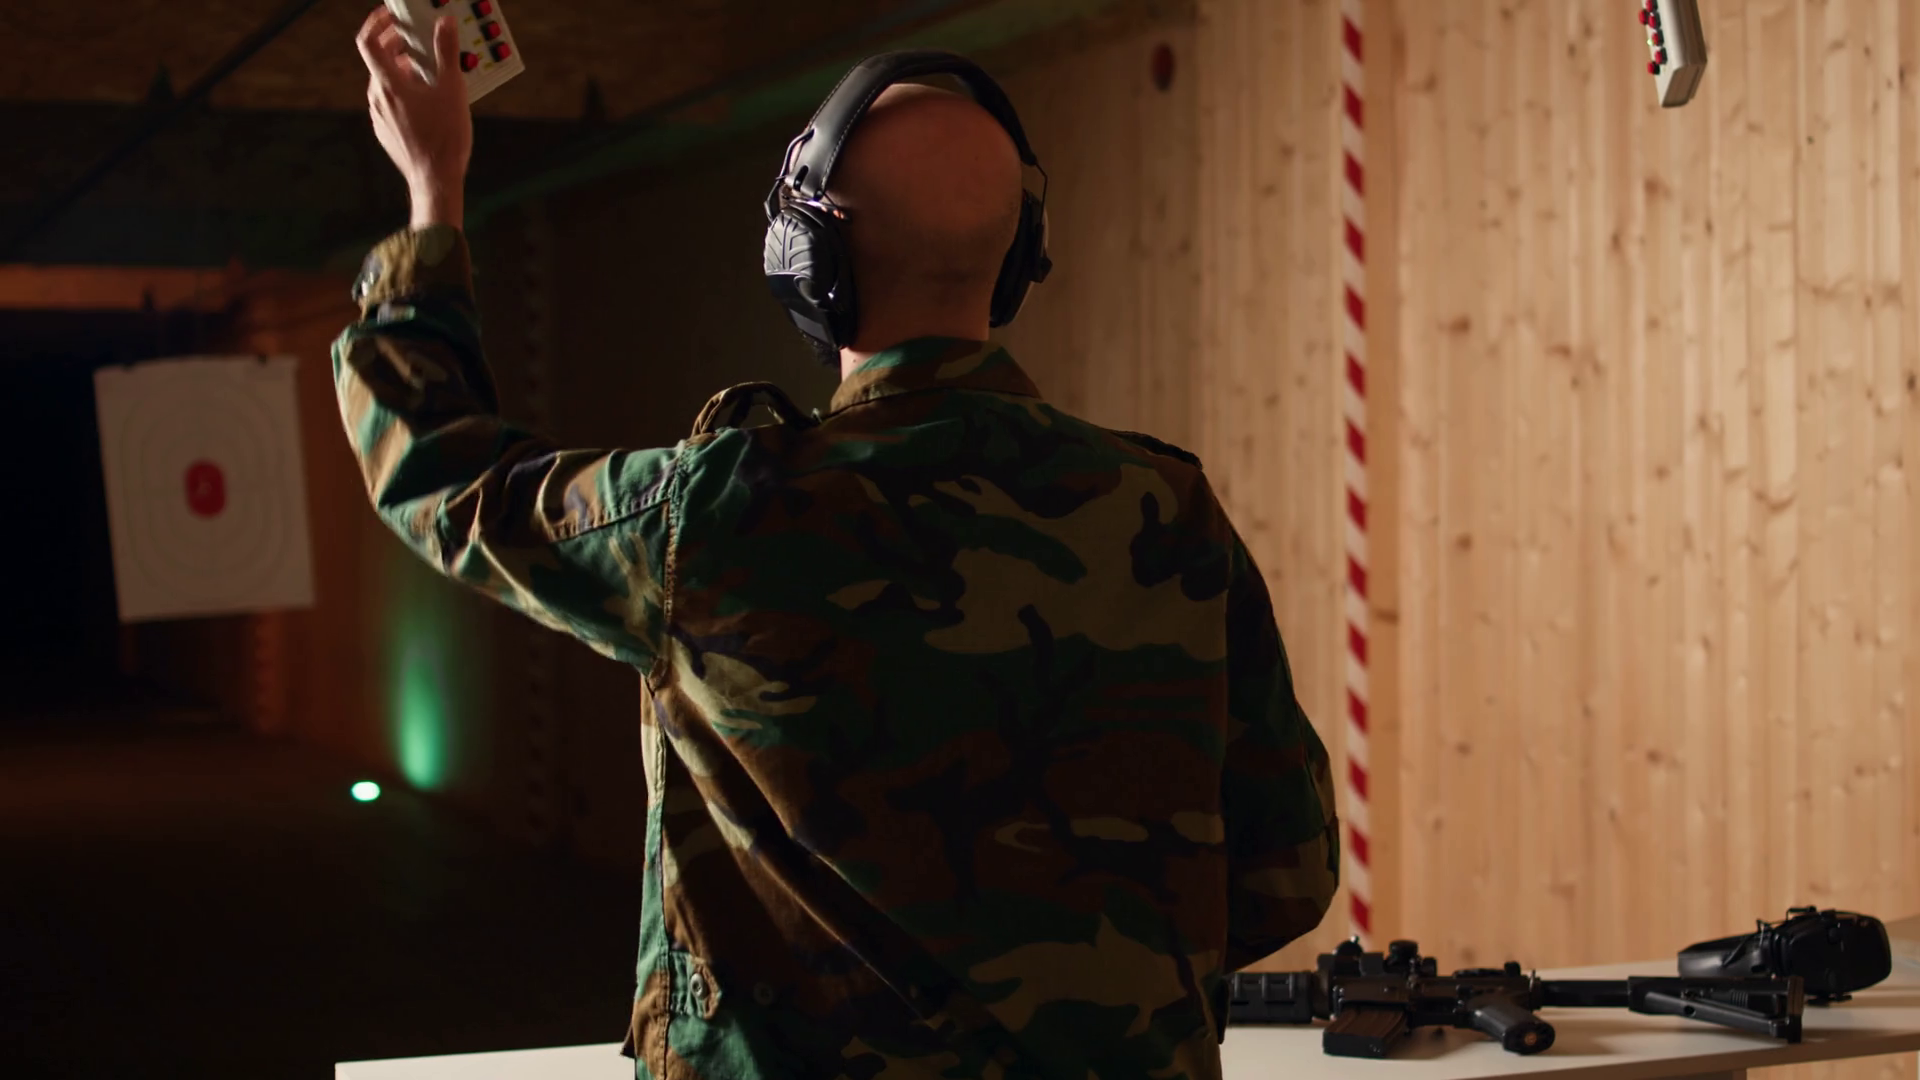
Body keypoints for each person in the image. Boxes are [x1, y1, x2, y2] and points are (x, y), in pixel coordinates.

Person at [339, 9, 1339, 1079]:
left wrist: (434, 193)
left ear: (806, 260)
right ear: (1017, 259)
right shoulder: (1169, 511)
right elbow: (1286, 871)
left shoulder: (713, 514)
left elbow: (439, 472)